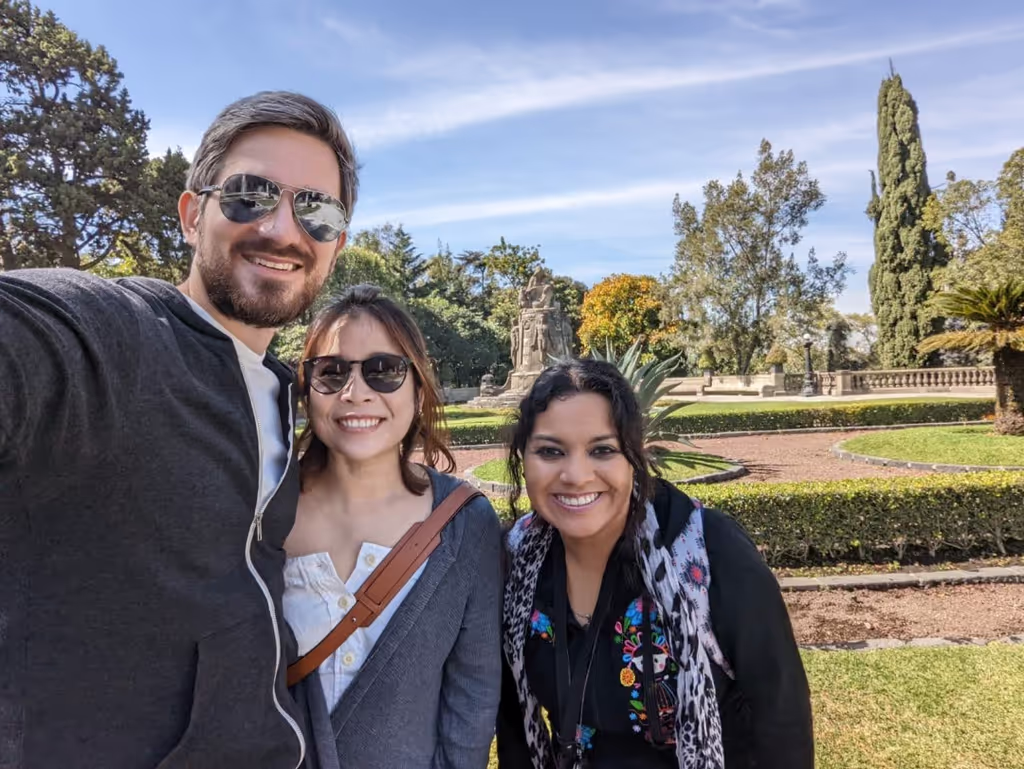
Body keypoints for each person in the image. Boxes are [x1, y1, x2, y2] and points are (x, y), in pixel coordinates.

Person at [0, 91, 357, 769]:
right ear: (193, 216)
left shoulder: (282, 397)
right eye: (250, 195)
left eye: (317, 210)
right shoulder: (114, 337)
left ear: (335, 247)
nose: (283, 229)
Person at [496, 359, 814, 769]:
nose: (575, 475)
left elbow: (781, 716)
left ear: (634, 456)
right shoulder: (516, 560)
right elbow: (513, 723)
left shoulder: (707, 550)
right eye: (550, 451)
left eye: (602, 450)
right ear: (523, 457)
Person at [285, 285, 503, 769]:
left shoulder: (465, 523)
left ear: (419, 390)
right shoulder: (264, 512)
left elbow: (472, 694)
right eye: (331, 372)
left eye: (384, 371)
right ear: (307, 390)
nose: (355, 392)